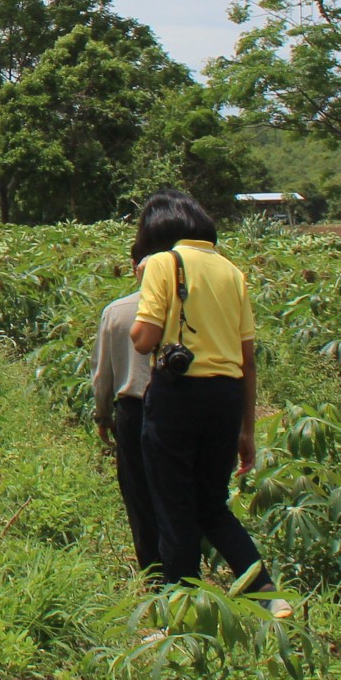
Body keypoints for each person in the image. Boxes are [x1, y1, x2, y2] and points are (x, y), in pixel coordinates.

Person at [127, 190, 277, 603]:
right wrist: (247, 428)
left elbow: (144, 340)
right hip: (227, 397)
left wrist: (145, 289)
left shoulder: (162, 262)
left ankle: (181, 607)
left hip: (179, 395)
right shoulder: (232, 272)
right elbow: (248, 359)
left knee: (173, 504)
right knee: (211, 503)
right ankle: (264, 589)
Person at [91, 245, 161, 581]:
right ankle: (182, 568)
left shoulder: (116, 311)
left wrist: (102, 415)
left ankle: (153, 573)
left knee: (138, 493)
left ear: (134, 268)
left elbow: (102, 372)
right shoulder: (183, 308)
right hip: (176, 407)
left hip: (131, 410)